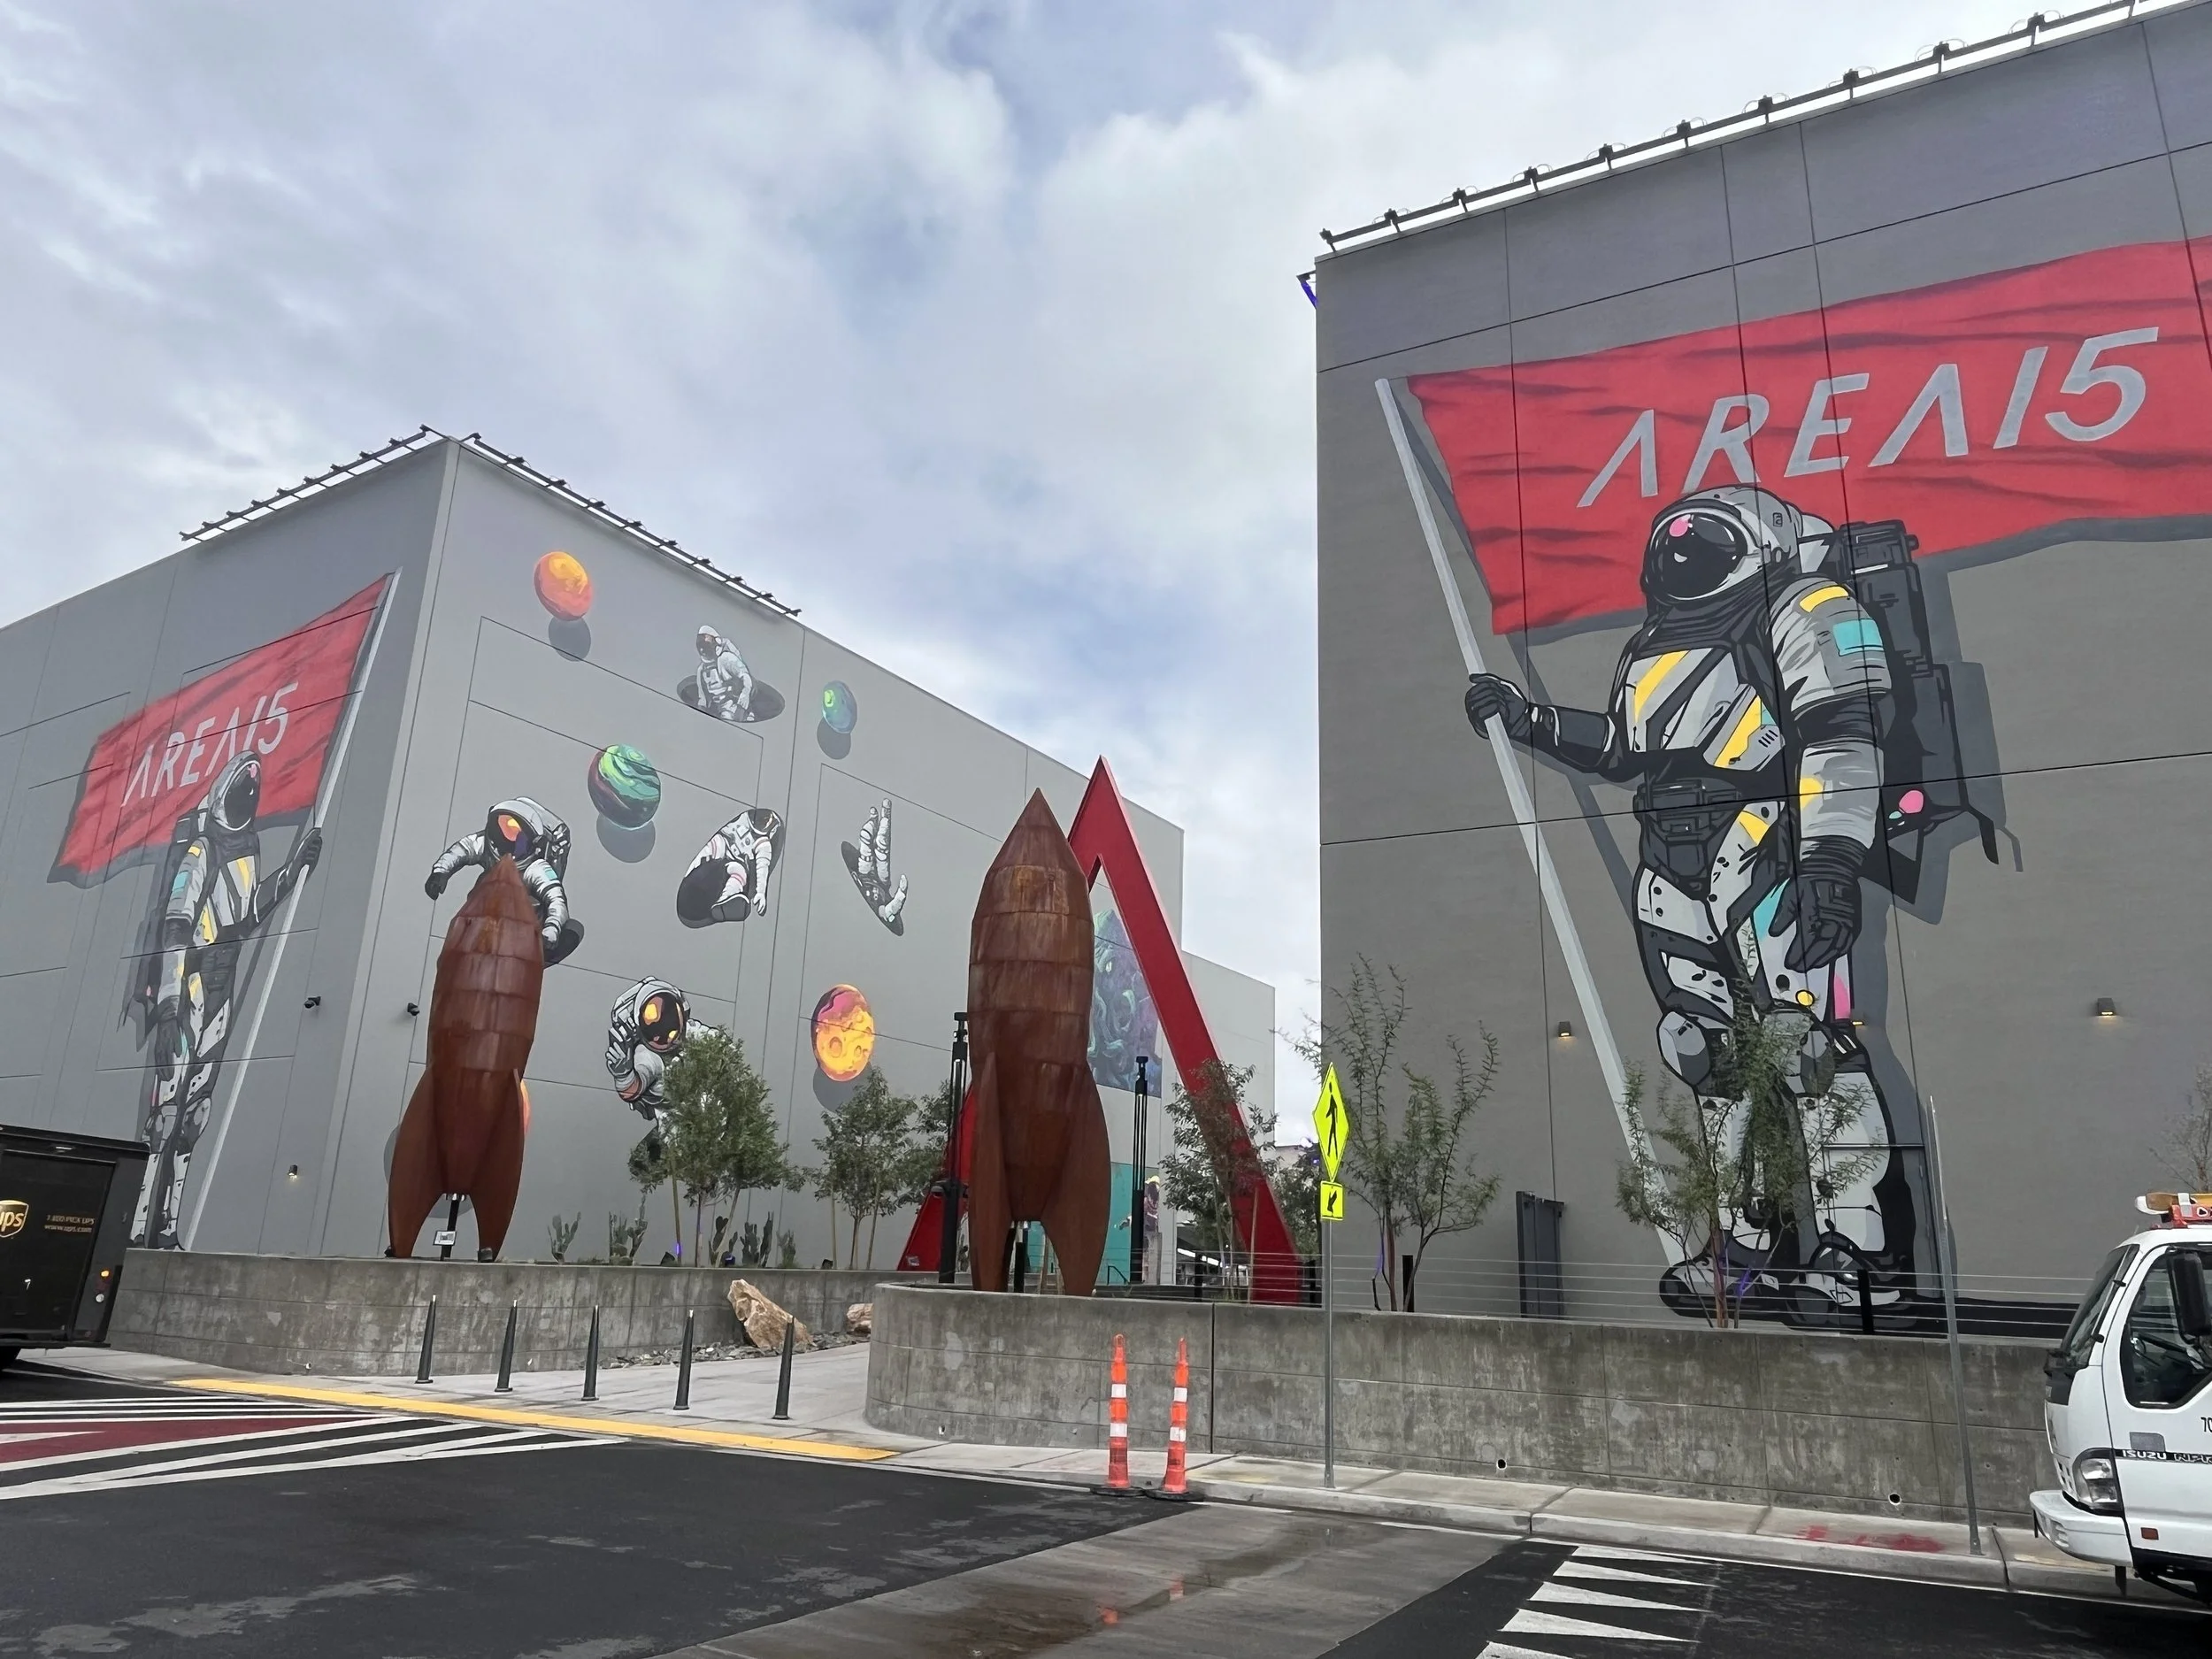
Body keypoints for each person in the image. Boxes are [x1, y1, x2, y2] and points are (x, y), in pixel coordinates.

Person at [1463, 485, 1906, 1326]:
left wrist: (1831, 860)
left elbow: (1843, 736)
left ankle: (1857, 1245)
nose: (1682, 548)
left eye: (1702, 538)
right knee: (1704, 1050)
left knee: (1807, 1046)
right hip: (1670, 855)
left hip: (1767, 837)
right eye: (1675, 537)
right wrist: (1530, 721)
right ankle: (1743, 1239)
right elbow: (1626, 746)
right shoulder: (1654, 640)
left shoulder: (1809, 608)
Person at [131, 754, 321, 1247]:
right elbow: (176, 927)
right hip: (191, 984)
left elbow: (248, 911)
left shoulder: (248, 847)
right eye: (244, 782)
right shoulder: (201, 849)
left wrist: (293, 869)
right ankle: (135, 1224)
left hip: (223, 985)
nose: (251, 791)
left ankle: (168, 1225)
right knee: (166, 1111)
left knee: (196, 1111)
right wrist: (169, 1006)